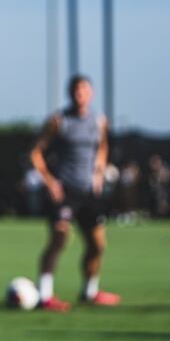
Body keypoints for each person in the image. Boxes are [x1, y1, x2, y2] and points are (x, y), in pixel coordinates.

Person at [30, 75, 120, 311]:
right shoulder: (59, 121)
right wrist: (50, 182)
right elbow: (36, 153)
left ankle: (90, 292)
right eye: (76, 90)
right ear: (70, 94)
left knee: (97, 244)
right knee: (59, 239)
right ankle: (45, 296)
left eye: (84, 90)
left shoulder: (98, 122)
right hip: (65, 191)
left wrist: (99, 171)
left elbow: (102, 147)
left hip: (88, 191)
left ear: (91, 94)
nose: (80, 94)